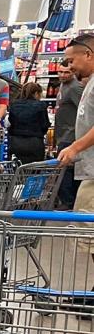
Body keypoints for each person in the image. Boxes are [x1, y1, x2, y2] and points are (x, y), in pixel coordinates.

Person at [57, 35, 94, 221]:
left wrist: (75, 147)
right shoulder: (89, 82)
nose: (69, 66)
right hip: (89, 170)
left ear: (88, 54)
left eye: (71, 60)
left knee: (86, 233)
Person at [55, 62, 84, 208]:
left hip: (71, 135)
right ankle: (69, 201)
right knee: (67, 169)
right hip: (63, 134)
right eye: (60, 72)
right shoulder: (63, 85)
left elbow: (85, 109)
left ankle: (68, 202)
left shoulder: (75, 87)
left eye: (66, 72)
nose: (62, 75)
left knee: (64, 168)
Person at [7, 82, 50, 164]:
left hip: (16, 142)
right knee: (34, 171)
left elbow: (11, 122)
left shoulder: (14, 105)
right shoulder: (41, 105)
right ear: (36, 93)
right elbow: (44, 124)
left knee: (17, 171)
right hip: (35, 142)